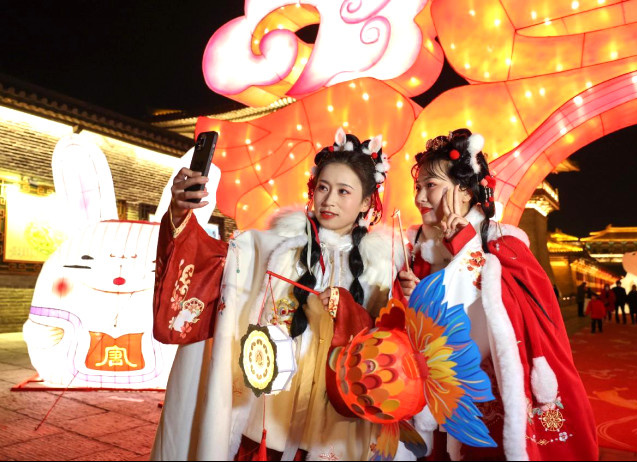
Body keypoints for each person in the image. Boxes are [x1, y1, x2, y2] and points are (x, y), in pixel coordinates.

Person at [150, 128, 406, 461]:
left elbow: (391, 348)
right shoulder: (270, 248)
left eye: (344, 191)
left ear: (367, 202)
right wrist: (180, 214)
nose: (329, 200)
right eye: (323, 188)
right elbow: (206, 267)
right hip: (267, 421)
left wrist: (346, 311)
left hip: (339, 429)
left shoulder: (382, 268)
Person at [396, 128, 598, 461]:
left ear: (464, 190)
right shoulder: (419, 252)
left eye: (430, 186)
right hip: (434, 392)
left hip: (488, 395)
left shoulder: (504, 245)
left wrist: (463, 250)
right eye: (417, 188)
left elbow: (504, 313)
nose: (419, 198)